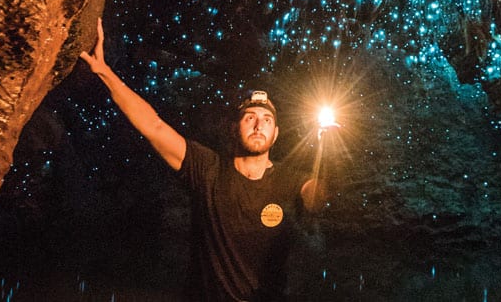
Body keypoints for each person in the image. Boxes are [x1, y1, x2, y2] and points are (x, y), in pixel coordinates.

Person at [80, 18, 328, 301]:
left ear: (276, 133)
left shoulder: (289, 180)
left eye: (267, 120)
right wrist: (104, 72)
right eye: (250, 118)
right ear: (235, 128)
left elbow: (317, 196)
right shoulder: (207, 169)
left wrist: (327, 151)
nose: (259, 126)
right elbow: (154, 126)